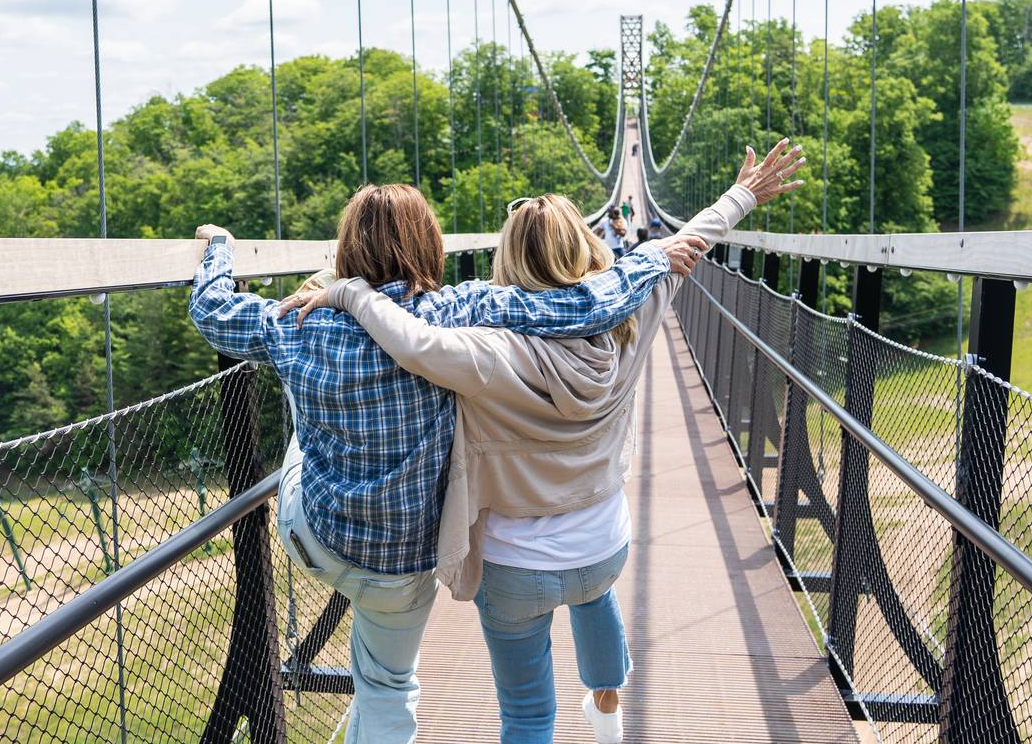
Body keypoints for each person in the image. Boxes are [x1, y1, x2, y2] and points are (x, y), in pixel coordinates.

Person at [280, 138, 806, 744]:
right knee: (591, 590)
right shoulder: (639, 314)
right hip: (603, 547)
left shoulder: (485, 349)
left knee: (528, 716)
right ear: (588, 252)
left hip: (513, 569)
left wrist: (347, 289)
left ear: (507, 264)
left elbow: (414, 343)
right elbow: (687, 241)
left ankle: (581, 715)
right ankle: (607, 714)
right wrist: (743, 195)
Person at [188, 184, 709, 744]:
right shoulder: (462, 310)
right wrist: (654, 258)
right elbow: (580, 302)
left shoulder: (292, 322)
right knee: (389, 686)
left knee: (300, 433)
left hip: (321, 535)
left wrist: (218, 248)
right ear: (429, 243)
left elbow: (211, 311)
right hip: (410, 553)